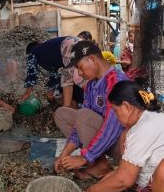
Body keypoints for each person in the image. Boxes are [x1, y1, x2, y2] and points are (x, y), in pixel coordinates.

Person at [54, 41, 130, 180]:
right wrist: (64, 154)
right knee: (62, 114)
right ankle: (100, 163)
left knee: (84, 115)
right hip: (105, 142)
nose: (79, 73)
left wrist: (84, 157)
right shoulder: (91, 85)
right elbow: (79, 125)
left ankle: (100, 164)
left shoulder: (116, 81)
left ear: (93, 60)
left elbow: (112, 127)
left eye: (80, 67)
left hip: (124, 146)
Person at [19, 36, 82, 107]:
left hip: (69, 46)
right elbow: (54, 75)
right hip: (81, 44)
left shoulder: (33, 52)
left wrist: (27, 93)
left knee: (67, 81)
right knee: (78, 78)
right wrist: (50, 92)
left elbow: (31, 73)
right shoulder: (49, 53)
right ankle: (76, 106)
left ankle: (68, 109)